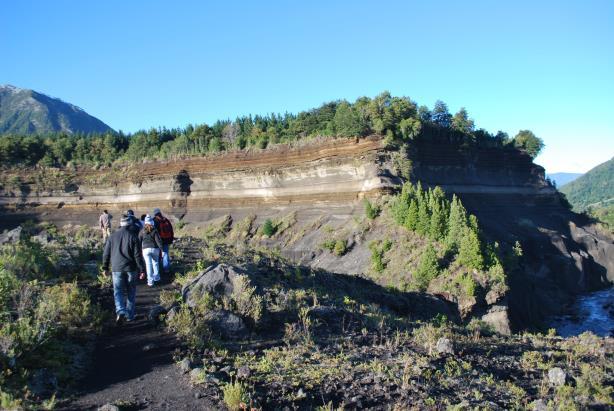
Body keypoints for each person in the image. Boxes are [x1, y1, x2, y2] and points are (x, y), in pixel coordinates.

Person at [102, 215, 146, 325]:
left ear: (120, 224)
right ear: (130, 224)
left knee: (118, 291)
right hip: (131, 268)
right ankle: (129, 315)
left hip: (116, 268)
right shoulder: (133, 236)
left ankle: (121, 310)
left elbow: (106, 254)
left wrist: (105, 268)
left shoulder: (112, 237)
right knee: (131, 291)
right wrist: (141, 269)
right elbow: (137, 255)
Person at [139, 215, 163, 287]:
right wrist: (161, 249)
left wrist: (139, 250)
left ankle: (150, 282)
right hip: (155, 249)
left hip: (145, 250)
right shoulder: (155, 230)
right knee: (155, 263)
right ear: (152, 222)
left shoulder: (141, 231)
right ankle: (157, 278)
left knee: (148, 265)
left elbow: (139, 241)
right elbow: (158, 241)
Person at [153, 208, 174, 273]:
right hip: (166, 240)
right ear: (160, 213)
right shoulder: (165, 220)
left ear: (154, 214)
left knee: (157, 255)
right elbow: (171, 230)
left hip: (158, 241)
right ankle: (166, 269)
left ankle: (158, 269)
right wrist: (171, 239)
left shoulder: (154, 221)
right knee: (165, 254)